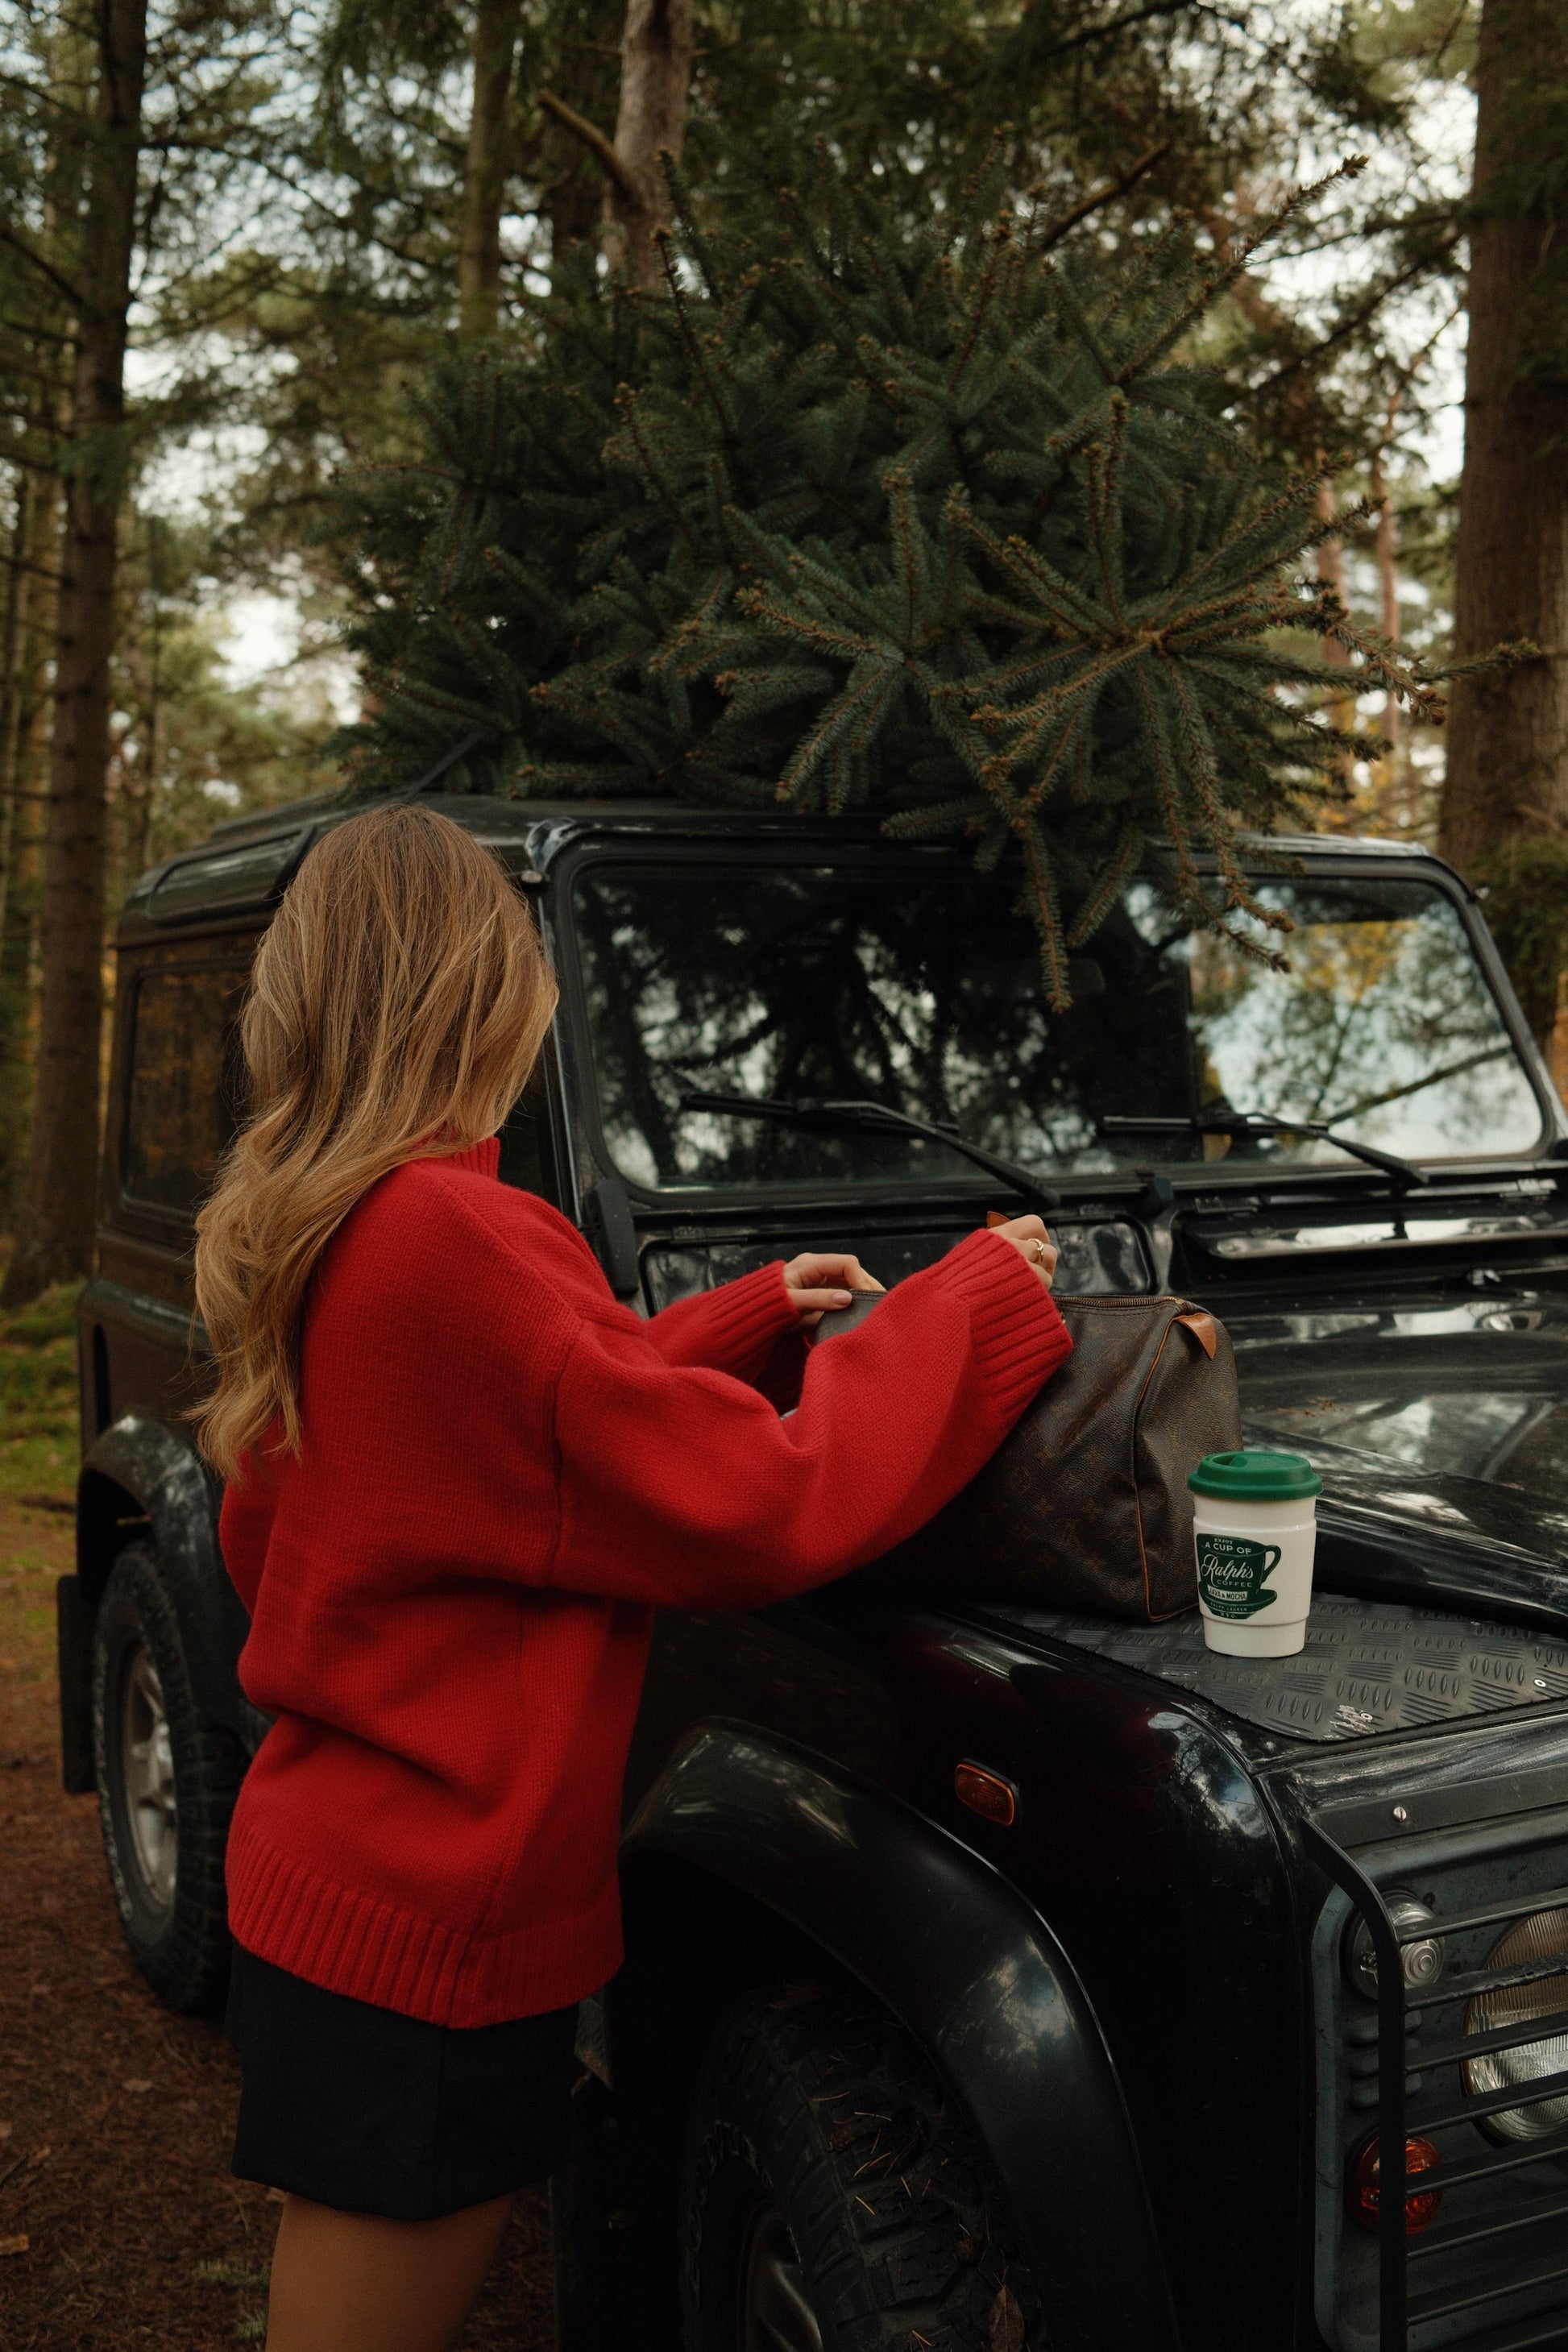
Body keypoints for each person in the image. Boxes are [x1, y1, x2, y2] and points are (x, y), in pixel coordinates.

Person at [193, 803, 1070, 2352]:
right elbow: (759, 1503)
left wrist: (725, 1322)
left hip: (329, 1887)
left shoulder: (323, 1224)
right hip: (429, 1943)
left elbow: (451, 1465)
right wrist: (979, 1304)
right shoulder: (456, 1234)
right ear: (487, 996)